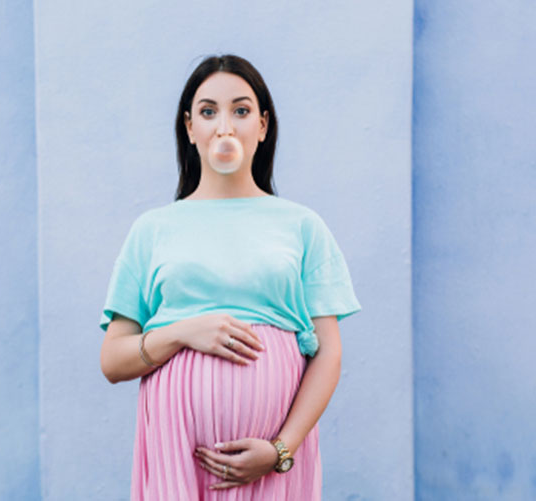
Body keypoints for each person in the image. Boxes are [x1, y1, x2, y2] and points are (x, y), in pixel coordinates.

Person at [99, 54, 362, 500]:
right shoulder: (153, 229)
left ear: (262, 126)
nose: (225, 126)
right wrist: (183, 332)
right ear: (189, 128)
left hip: (272, 463)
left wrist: (281, 449)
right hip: (178, 451)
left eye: (240, 111)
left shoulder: (302, 226)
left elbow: (329, 353)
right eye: (208, 111)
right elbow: (112, 361)